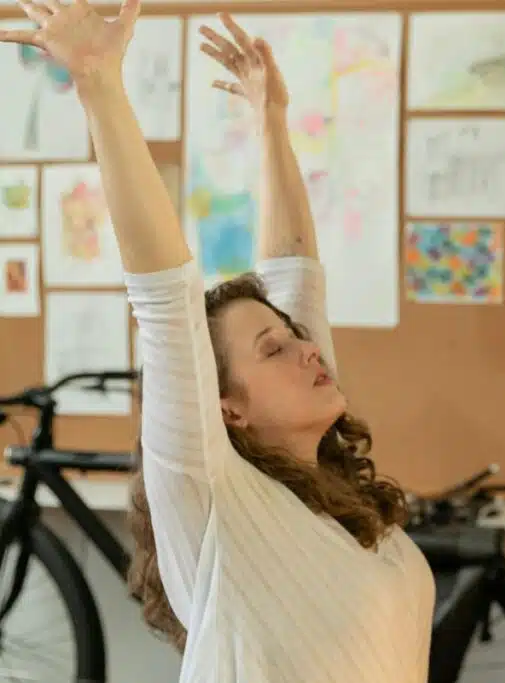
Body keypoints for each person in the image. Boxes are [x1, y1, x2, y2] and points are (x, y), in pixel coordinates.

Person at [0, 3, 435, 682]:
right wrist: (98, 83)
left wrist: (271, 121)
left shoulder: (330, 491)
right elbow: (166, 301)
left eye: (295, 338)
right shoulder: (217, 505)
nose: (308, 349)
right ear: (225, 405)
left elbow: (296, 279)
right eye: (274, 349)